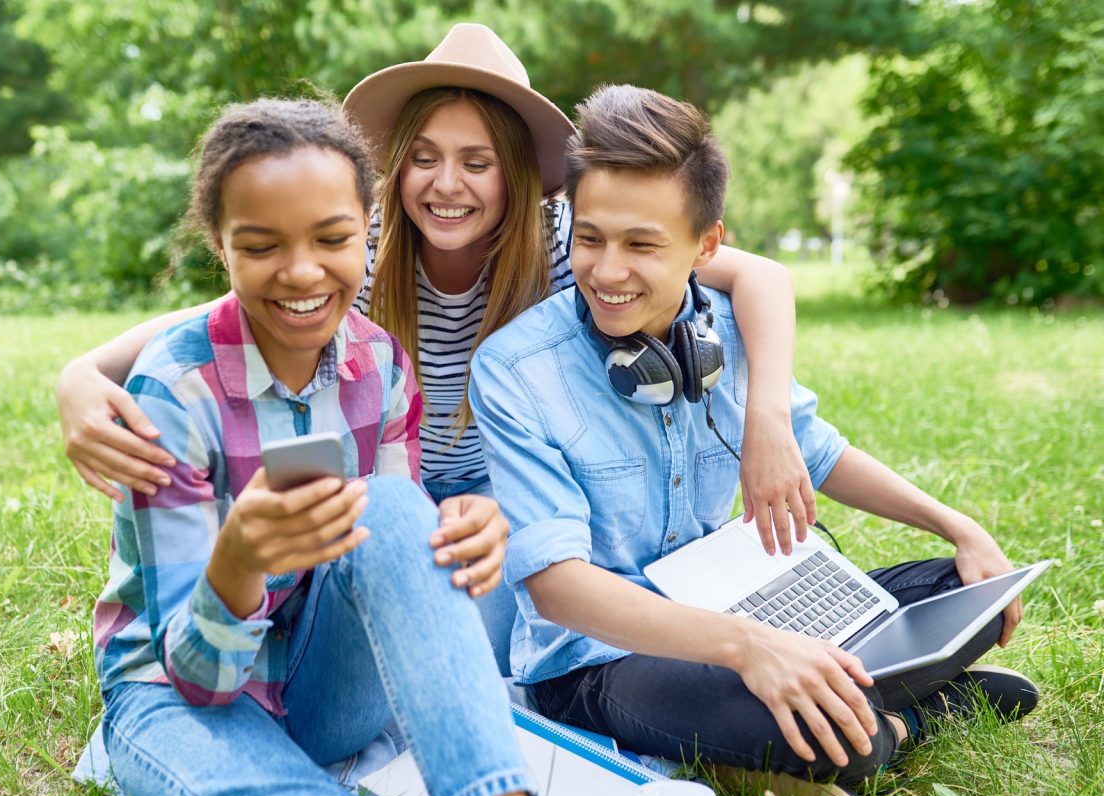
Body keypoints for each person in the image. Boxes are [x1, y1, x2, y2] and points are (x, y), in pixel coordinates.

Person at [467, 85, 1038, 796]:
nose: (606, 272)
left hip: (737, 607)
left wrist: (956, 525)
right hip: (601, 661)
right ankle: (904, 723)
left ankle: (851, 714)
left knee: (970, 591)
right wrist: (753, 648)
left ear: (707, 247)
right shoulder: (516, 368)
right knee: (849, 735)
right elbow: (559, 590)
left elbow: (823, 453)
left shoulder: (726, 331)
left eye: (641, 245)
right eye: (590, 239)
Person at [56, 24, 817, 572]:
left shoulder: (568, 243)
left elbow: (760, 278)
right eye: (423, 158)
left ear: (515, 174)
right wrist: (82, 374)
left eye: (476, 162)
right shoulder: (371, 238)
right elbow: (234, 314)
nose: (445, 185)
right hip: (388, 492)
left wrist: (768, 420)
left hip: (515, 499)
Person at [92, 97, 536, 796]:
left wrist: (457, 542)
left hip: (314, 681)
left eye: (332, 238)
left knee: (401, 506)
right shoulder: (174, 393)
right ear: (219, 244)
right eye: (262, 246)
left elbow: (392, 562)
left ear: (370, 224)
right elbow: (199, 679)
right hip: (178, 692)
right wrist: (238, 563)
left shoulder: (382, 368)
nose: (301, 272)